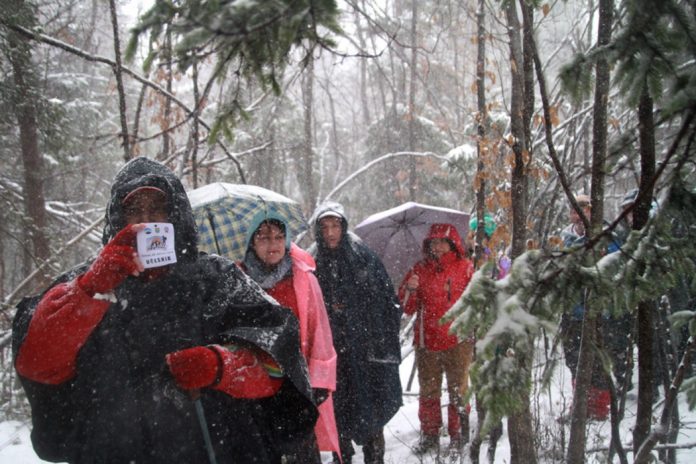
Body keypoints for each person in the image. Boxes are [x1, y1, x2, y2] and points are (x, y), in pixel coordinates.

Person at [12, 157, 317, 463]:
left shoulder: (216, 278)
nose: (146, 219)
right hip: (112, 448)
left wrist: (221, 365)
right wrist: (89, 290)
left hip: (214, 446)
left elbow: (278, 358)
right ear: (119, 217)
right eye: (134, 209)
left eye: (157, 208)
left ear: (175, 214)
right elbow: (38, 363)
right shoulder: (88, 282)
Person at [239, 210, 339, 462]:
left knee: (301, 451)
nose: (272, 244)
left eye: (277, 237)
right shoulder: (239, 279)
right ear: (252, 242)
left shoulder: (303, 278)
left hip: (297, 385)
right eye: (263, 237)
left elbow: (320, 331)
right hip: (253, 386)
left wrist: (319, 381)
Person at [309, 201, 402, 464]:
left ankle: (375, 457)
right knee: (338, 413)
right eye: (325, 227)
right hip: (332, 357)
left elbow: (385, 302)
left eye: (335, 226)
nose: (330, 233)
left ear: (343, 226)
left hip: (364, 352)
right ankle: (343, 457)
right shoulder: (312, 263)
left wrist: (354, 312)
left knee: (371, 410)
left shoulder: (363, 257)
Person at [398, 223, 475, 458]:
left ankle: (458, 435)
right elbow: (407, 308)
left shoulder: (465, 268)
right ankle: (430, 434)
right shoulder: (419, 270)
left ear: (452, 243)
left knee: (458, 390)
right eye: (434, 242)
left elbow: (477, 302)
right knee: (429, 391)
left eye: (443, 241)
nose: (438, 246)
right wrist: (409, 289)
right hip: (427, 342)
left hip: (458, 340)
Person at [559, 193, 629, 420]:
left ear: (591, 211)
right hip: (571, 312)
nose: (579, 215)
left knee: (599, 361)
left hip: (600, 312)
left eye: (584, 210)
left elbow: (616, 266)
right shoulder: (565, 239)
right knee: (573, 360)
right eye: (575, 210)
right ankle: (580, 406)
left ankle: (599, 409)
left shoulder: (608, 237)